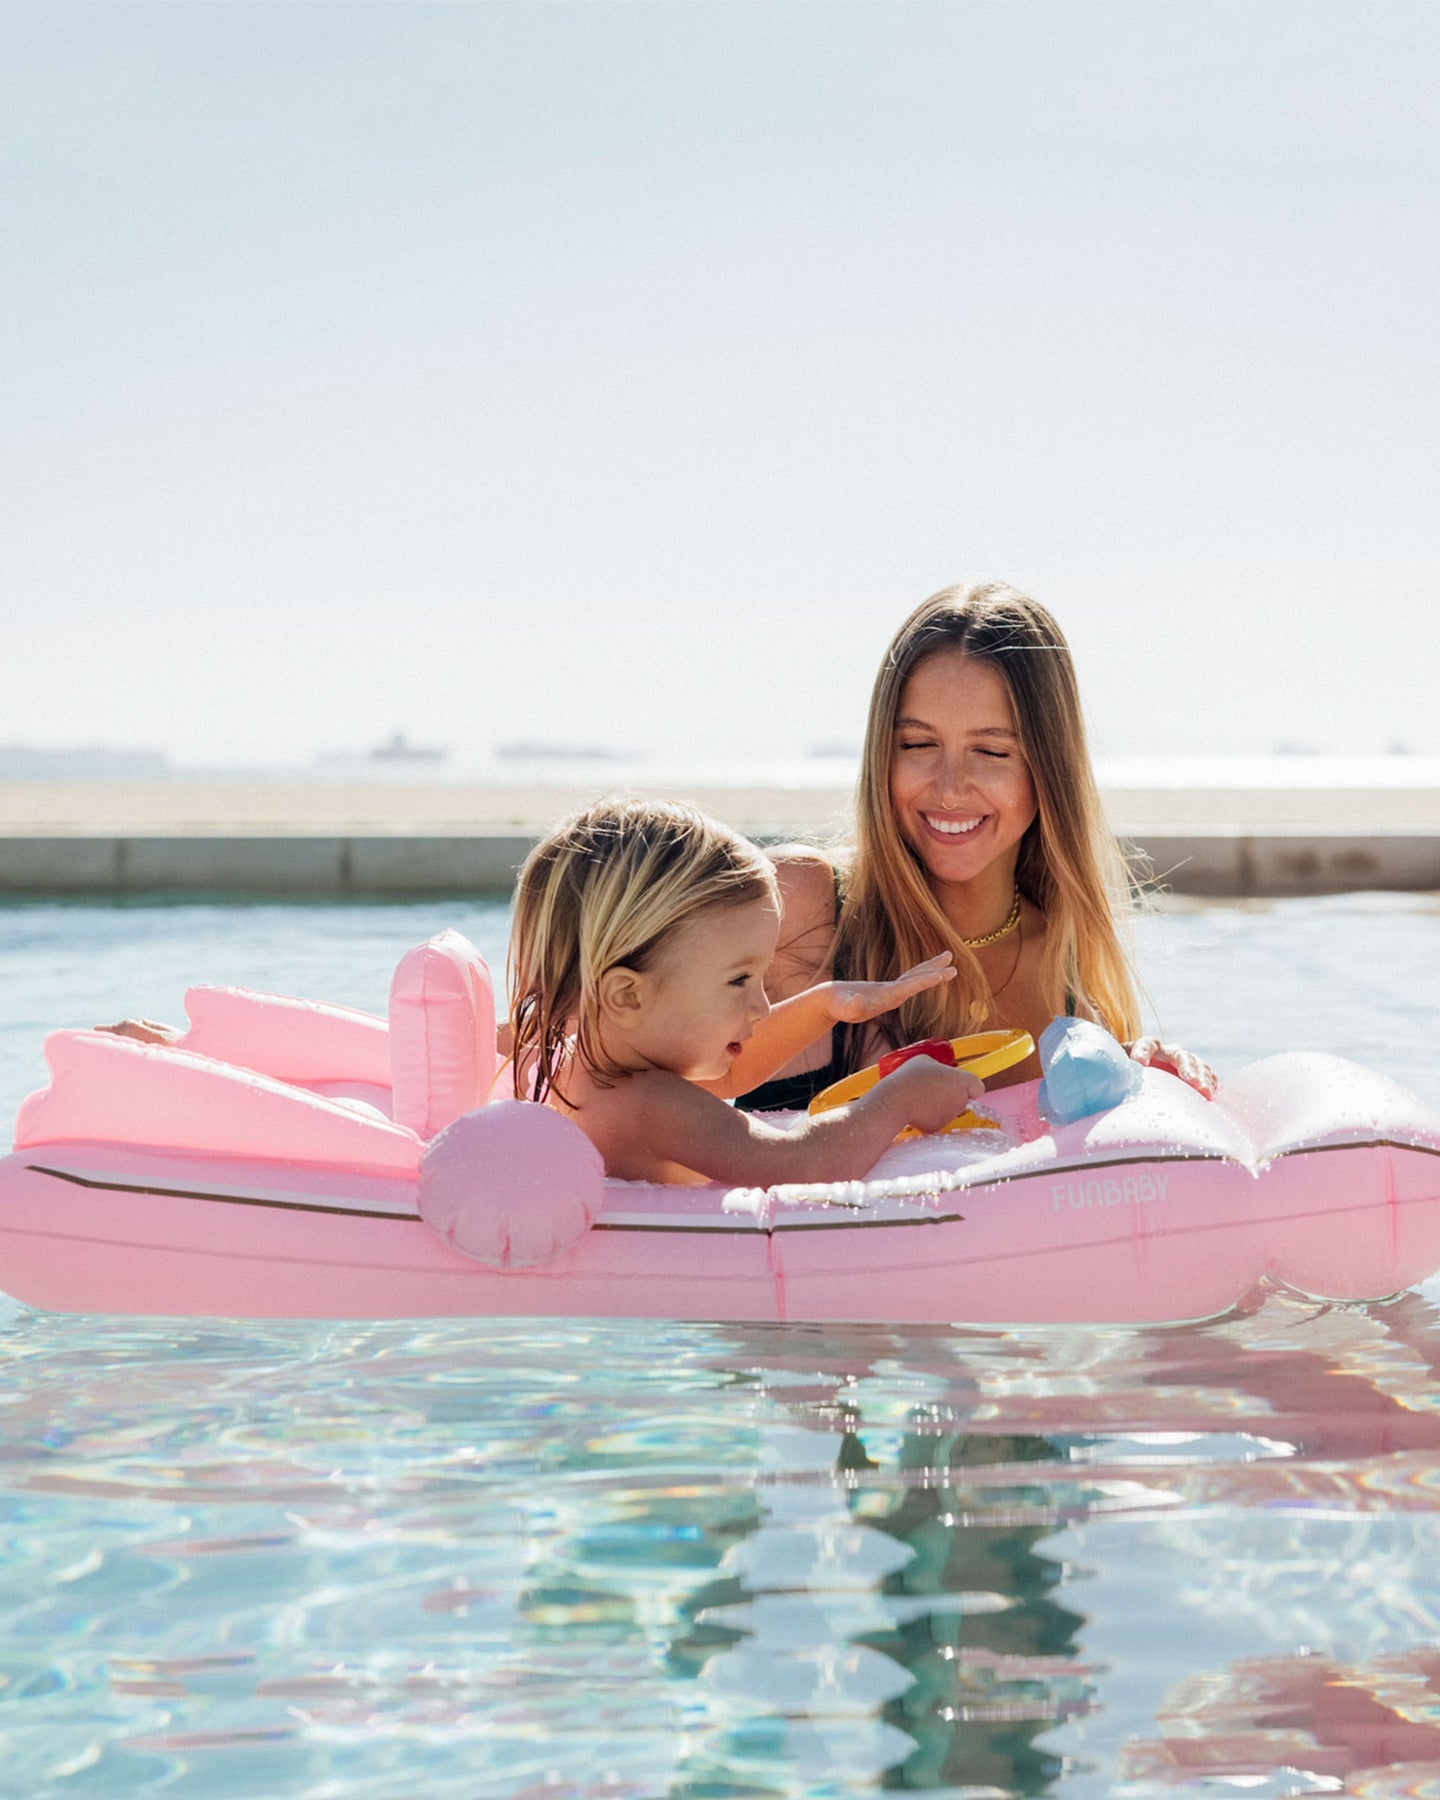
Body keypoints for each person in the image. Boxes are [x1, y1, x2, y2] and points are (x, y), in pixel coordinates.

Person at [730, 580, 1216, 1112]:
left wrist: (1146, 1084)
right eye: (917, 745)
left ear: (1047, 770)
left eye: (990, 751)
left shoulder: (1074, 981)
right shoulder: (794, 908)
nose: (950, 787)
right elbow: (639, 1097)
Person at [506, 797, 985, 1184]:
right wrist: (898, 1098)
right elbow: (803, 1165)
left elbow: (727, 1078)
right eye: (738, 981)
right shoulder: (648, 1104)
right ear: (627, 996)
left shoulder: (583, 1066)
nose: (762, 1005)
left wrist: (824, 1005)